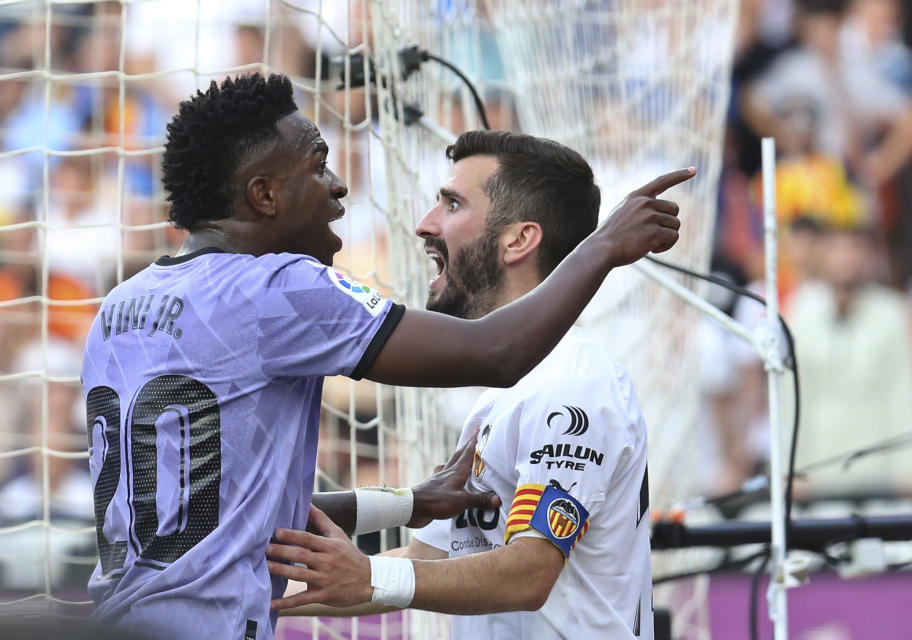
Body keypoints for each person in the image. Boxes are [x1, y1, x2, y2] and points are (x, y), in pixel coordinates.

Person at [81, 73, 691, 639]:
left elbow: (221, 507)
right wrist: (605, 246)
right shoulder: (278, 289)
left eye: (451, 204)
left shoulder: (119, 308)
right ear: (263, 195)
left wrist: (406, 506)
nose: (340, 185)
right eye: (319, 165)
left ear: (518, 238)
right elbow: (498, 352)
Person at [266, 130, 659, 639]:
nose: (425, 224)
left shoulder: (572, 380)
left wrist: (368, 577)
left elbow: (529, 573)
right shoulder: (504, 390)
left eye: (452, 204)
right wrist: (236, 597)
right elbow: (425, 557)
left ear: (519, 239)